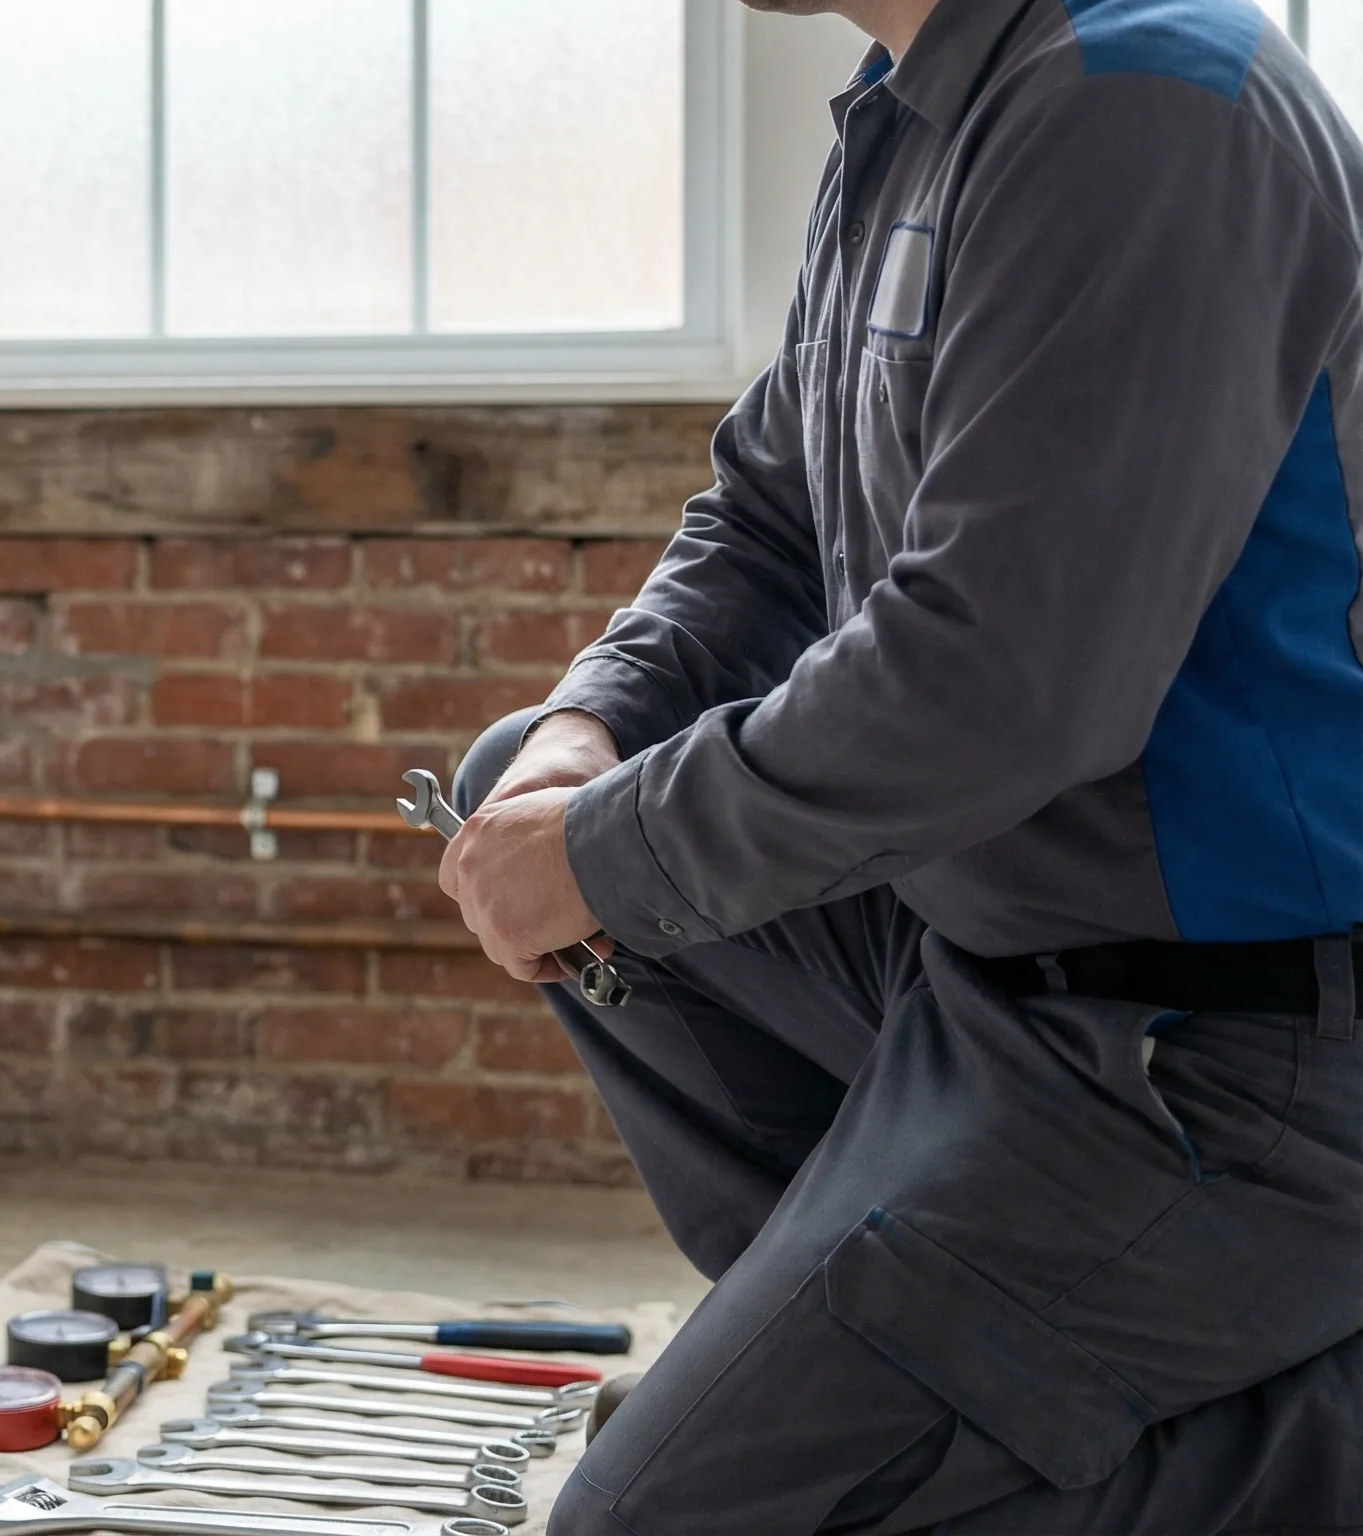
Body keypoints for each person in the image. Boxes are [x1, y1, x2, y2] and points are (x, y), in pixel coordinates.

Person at [438, 0, 1363, 1529]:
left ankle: (1286, 1432)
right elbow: (769, 521)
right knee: (525, 792)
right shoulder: (920, 110)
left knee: (645, 1522)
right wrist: (581, 733)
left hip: (1223, 1048)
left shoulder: (1148, 106)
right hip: (990, 958)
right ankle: (854, 1371)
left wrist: (605, 851)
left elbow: (1001, 680)